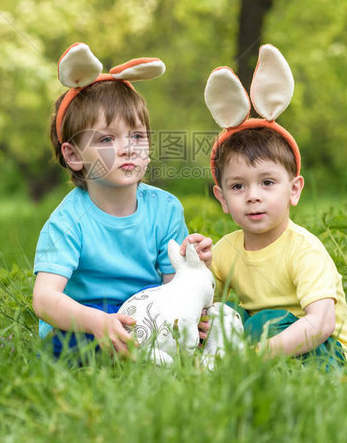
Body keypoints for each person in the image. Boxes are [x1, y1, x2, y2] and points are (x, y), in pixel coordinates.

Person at [32, 43, 212, 359]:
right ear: (74, 155)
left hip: (146, 309)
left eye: (137, 136)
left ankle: (163, 354)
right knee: (73, 342)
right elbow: (45, 300)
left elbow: (173, 287)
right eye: (107, 139)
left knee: (215, 321)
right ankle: (139, 355)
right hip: (87, 318)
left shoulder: (164, 209)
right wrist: (99, 322)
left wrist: (190, 294)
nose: (128, 148)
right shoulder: (68, 221)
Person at [196, 45, 347, 367]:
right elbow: (203, 299)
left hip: (330, 354)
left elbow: (321, 323)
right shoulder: (227, 251)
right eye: (238, 186)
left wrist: (255, 356)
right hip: (272, 351)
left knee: (263, 321)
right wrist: (197, 264)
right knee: (225, 315)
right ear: (222, 199)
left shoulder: (304, 250)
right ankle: (218, 373)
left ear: (294, 190)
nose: (253, 196)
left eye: (267, 183)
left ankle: (271, 374)